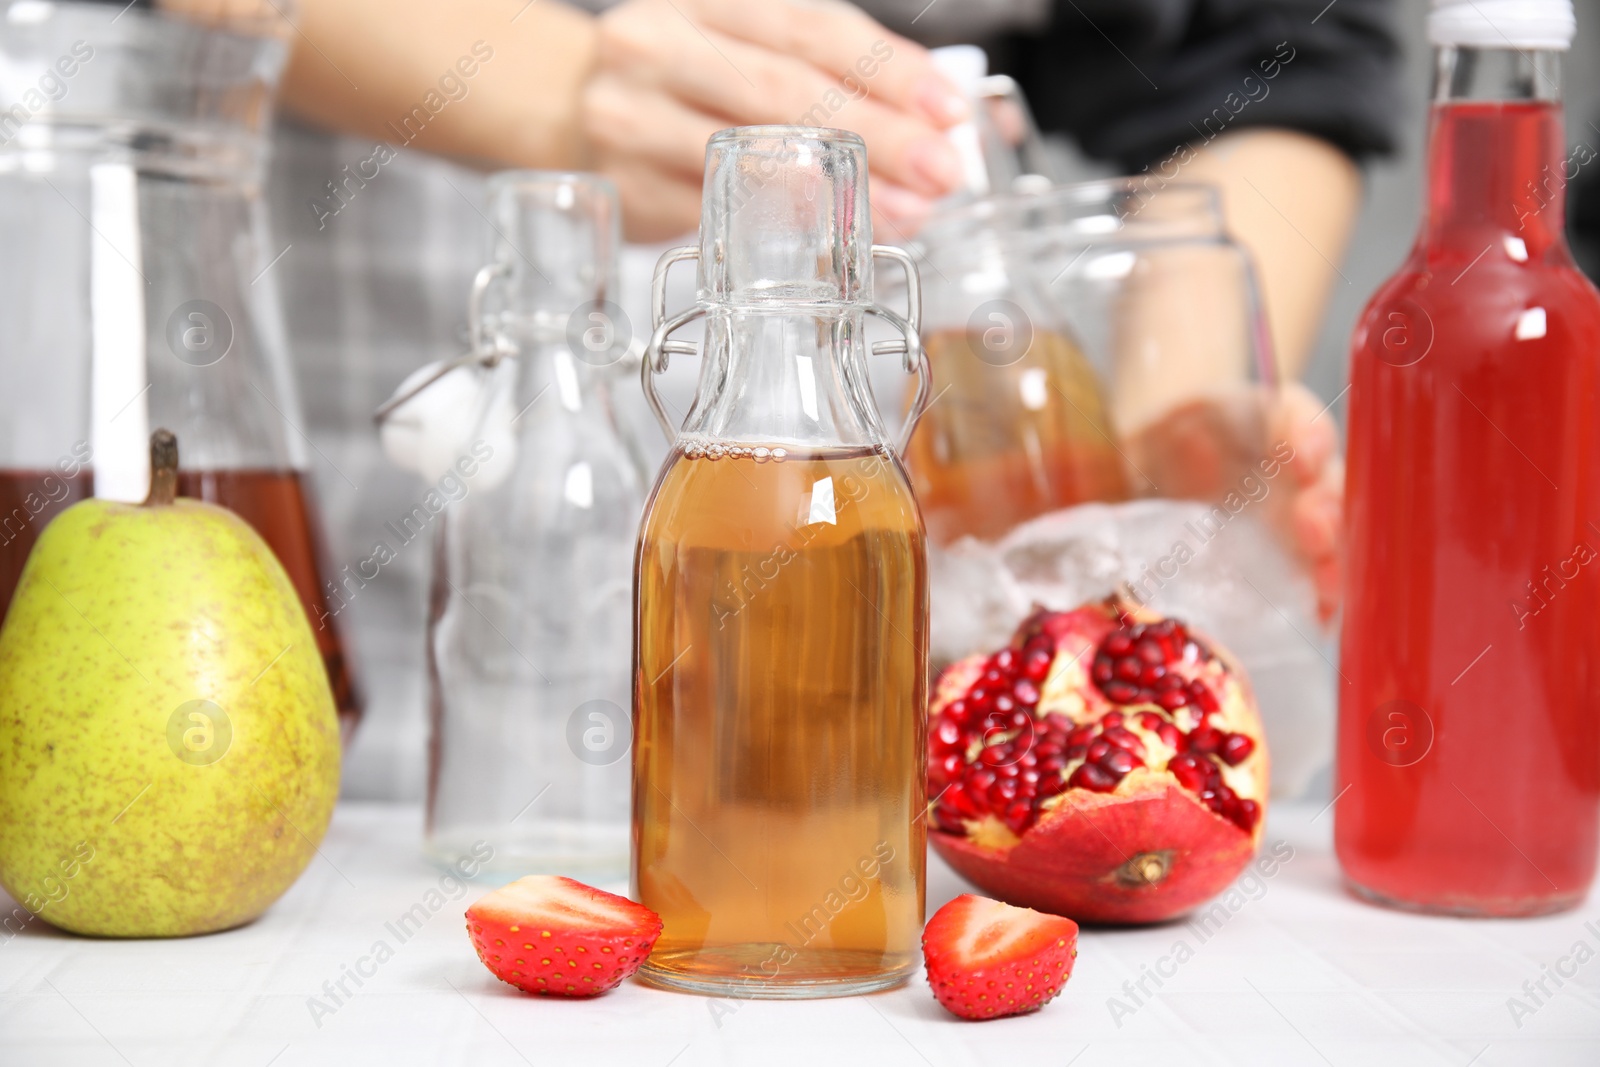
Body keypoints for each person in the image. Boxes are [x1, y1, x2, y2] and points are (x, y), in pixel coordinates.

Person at [267, 0, 1398, 623]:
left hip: (921, 659)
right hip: (385, 514)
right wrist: (547, 88)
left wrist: (1161, 450)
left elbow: (1267, 50)